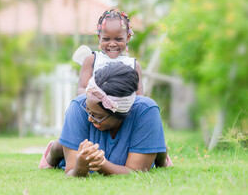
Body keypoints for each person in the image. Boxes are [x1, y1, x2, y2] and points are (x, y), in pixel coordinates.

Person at [39, 62, 172, 176]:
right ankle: (55, 148)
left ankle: (159, 150)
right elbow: (71, 171)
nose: (90, 119)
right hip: (70, 148)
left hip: (125, 149)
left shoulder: (146, 110)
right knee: (61, 146)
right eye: (89, 111)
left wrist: (101, 164)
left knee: (156, 146)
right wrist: (79, 169)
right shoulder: (78, 107)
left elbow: (135, 172)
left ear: (120, 113)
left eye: (98, 116)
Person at [76, 9, 144, 96]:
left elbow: (139, 96)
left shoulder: (134, 65)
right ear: (99, 37)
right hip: (95, 107)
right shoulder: (92, 60)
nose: (112, 44)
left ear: (127, 37)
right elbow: (81, 89)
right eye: (106, 39)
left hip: (125, 108)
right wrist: (94, 98)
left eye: (118, 39)